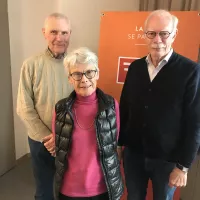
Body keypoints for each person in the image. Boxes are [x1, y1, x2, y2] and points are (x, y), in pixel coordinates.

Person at [118, 9, 200, 200]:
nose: (157, 39)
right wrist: (119, 144)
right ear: (145, 35)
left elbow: (195, 123)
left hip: (168, 160)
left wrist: (183, 167)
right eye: (151, 33)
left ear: (174, 35)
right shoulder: (136, 68)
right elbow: (125, 108)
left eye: (164, 33)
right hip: (134, 155)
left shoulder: (190, 71)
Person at [52, 47, 124, 200]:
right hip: (69, 189)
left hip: (102, 188)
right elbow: (60, 149)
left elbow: (114, 143)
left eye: (89, 72)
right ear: (70, 78)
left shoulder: (111, 106)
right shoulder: (61, 109)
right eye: (77, 74)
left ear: (97, 73)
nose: (84, 79)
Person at [17, 13, 73, 200]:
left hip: (72, 140)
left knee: (70, 190)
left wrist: (62, 136)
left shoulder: (76, 64)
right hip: (41, 142)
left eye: (64, 32)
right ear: (44, 33)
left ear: (70, 34)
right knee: (44, 192)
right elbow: (24, 107)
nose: (59, 38)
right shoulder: (31, 65)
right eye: (54, 32)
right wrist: (48, 138)